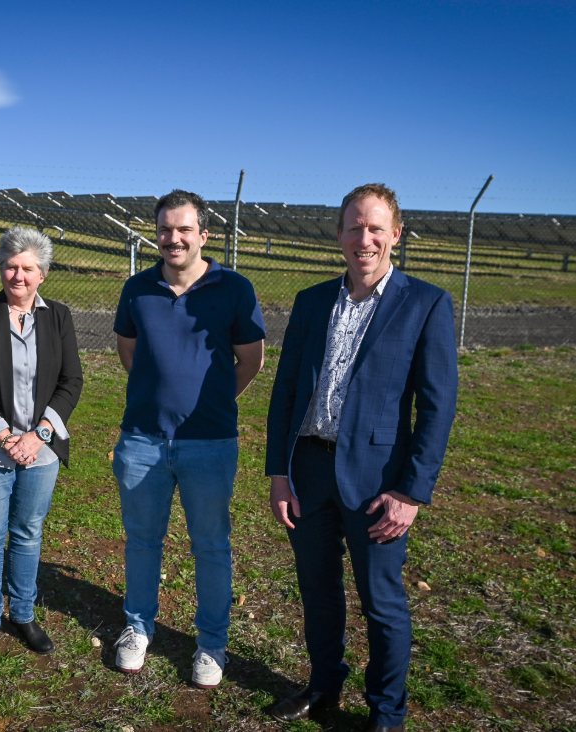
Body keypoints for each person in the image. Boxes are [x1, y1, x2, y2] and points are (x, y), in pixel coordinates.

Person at [265, 183, 458, 732]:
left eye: (376, 228)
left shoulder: (425, 303)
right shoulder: (311, 301)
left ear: (396, 235)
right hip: (309, 471)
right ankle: (324, 684)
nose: (364, 238)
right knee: (318, 592)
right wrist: (279, 472)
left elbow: (437, 407)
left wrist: (412, 491)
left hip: (380, 482)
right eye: (354, 227)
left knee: (382, 603)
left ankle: (387, 713)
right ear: (339, 235)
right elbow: (285, 395)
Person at [111, 189, 266, 688]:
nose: (173, 238)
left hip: (210, 442)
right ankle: (137, 627)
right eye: (164, 229)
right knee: (142, 541)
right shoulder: (137, 289)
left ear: (204, 234)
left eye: (183, 229)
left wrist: (213, 402)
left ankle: (211, 643)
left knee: (211, 545)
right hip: (143, 442)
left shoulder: (235, 289)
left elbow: (251, 360)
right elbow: (129, 351)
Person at [0, 226, 84, 667]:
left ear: (43, 274)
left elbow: (71, 381)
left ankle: (23, 615)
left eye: (28, 268)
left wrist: (40, 434)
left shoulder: (59, 317)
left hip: (41, 449)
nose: (18, 275)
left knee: (28, 534)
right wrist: (7, 437)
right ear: (0, 267)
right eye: (10, 265)